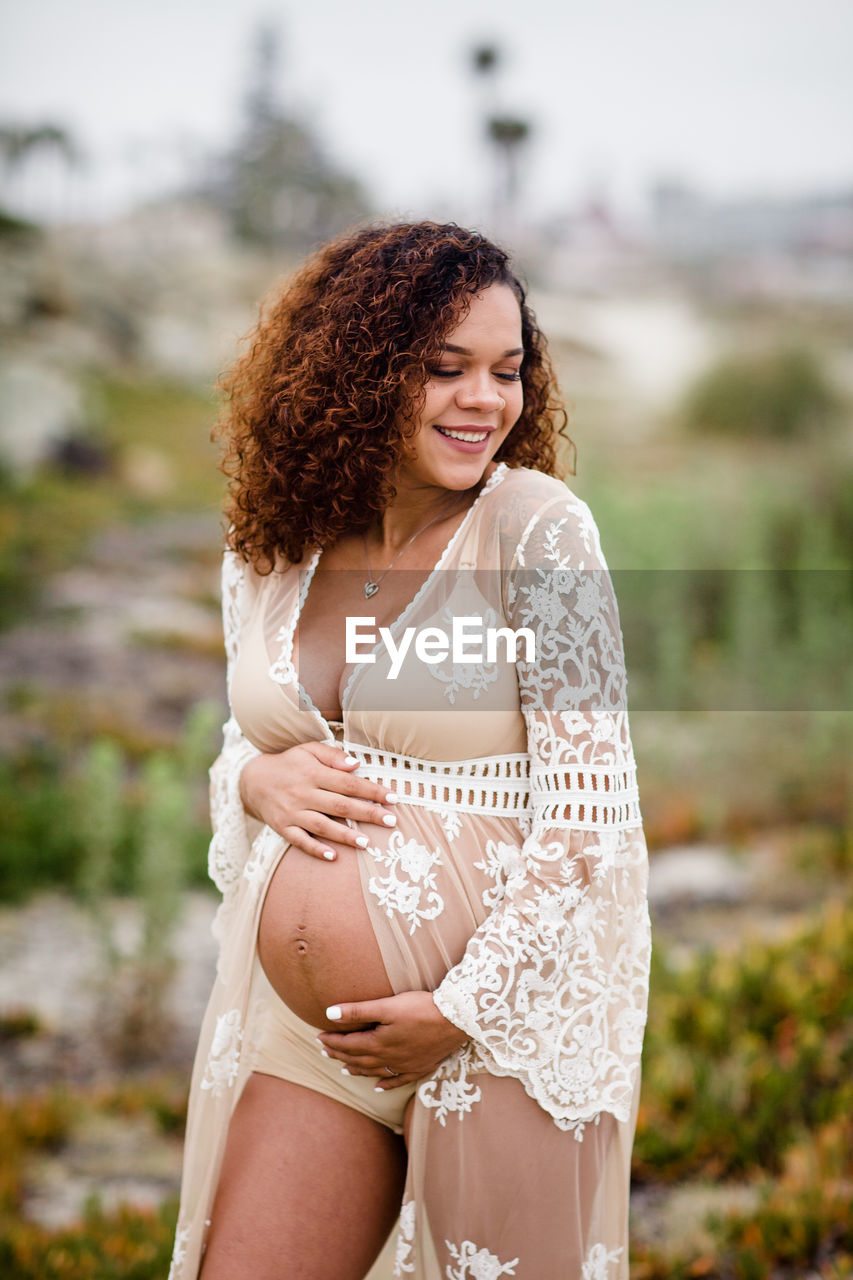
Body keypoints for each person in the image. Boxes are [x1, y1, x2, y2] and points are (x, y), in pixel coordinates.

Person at [168, 221, 651, 1280]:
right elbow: (237, 744)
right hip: (316, 1044)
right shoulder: (277, 539)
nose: (484, 400)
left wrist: (458, 1010)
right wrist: (252, 775)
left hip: (496, 1033)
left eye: (506, 371)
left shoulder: (535, 529)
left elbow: (589, 809)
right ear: (358, 372)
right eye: (444, 370)